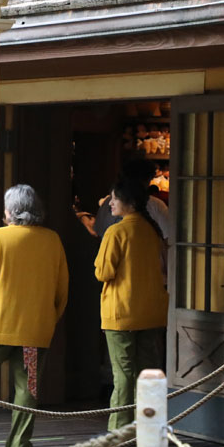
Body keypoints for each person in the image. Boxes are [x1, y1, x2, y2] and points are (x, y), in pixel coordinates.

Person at [0, 184, 69, 447]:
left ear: (10, 212)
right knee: (28, 388)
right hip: (35, 330)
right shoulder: (51, 240)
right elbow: (62, 290)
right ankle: (20, 446)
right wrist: (49, 318)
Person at [94, 176, 168, 430]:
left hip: (121, 312)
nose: (110, 203)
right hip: (152, 311)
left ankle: (119, 428)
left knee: (123, 374)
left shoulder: (117, 231)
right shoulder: (152, 230)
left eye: (114, 199)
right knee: (147, 372)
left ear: (130, 202)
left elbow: (103, 272)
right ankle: (149, 424)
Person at [95, 158, 170, 244]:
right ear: (146, 181)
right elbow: (168, 239)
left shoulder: (107, 202)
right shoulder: (155, 205)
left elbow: (98, 233)